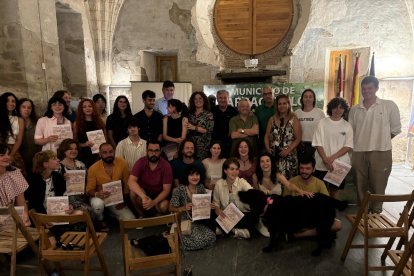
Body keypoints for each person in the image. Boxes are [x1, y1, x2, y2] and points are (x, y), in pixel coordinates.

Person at [348, 76, 401, 213]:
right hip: (358, 152)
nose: (366, 91)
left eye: (370, 88)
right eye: (364, 88)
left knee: (378, 185)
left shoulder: (389, 105)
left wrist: (381, 141)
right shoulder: (354, 109)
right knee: (360, 184)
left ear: (376, 88)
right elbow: (351, 132)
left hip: (381, 151)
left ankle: (376, 211)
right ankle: (363, 211)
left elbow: (395, 129)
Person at [283, 156, 342, 240]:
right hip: (297, 218)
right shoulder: (291, 182)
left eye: (307, 168)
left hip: (315, 218)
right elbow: (285, 206)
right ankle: (315, 233)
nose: (304, 171)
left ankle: (298, 235)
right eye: (302, 168)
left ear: (313, 169)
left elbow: (327, 206)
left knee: (337, 225)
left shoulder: (320, 183)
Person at [86, 143, 135, 230]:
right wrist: (97, 193)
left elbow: (127, 184)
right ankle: (100, 219)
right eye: (105, 152)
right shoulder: (93, 169)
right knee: (98, 205)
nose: (108, 155)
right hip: (100, 197)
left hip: (116, 199)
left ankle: (110, 213)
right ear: (100, 154)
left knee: (131, 221)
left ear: (114, 152)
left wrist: (123, 200)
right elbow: (89, 190)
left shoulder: (122, 163)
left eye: (111, 152)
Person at [312, 97, 353, 199]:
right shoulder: (322, 123)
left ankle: (332, 213)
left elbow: (348, 146)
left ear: (344, 110)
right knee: (320, 189)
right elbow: (318, 143)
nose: (338, 110)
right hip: (322, 163)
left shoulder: (347, 126)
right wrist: (326, 159)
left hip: (340, 164)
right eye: (335, 107)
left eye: (341, 107)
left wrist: (331, 159)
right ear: (330, 109)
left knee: (334, 191)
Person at [169, 165, 216, 250]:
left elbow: (204, 204)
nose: (195, 177)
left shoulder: (200, 187)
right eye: (191, 175)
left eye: (197, 174)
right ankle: (177, 241)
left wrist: (209, 205)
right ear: (186, 176)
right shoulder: (179, 189)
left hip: (197, 220)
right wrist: (183, 208)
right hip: (183, 221)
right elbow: (171, 208)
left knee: (211, 237)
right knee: (198, 240)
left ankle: (179, 242)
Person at [213, 158, 259, 239]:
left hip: (241, 215)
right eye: (232, 169)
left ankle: (227, 230)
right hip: (225, 215)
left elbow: (252, 193)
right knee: (210, 215)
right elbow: (216, 203)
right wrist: (218, 210)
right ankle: (239, 232)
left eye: (237, 169)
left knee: (255, 217)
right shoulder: (219, 184)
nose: (235, 172)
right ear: (225, 171)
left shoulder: (242, 182)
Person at [128, 141, 172, 217]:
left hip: (159, 195)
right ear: (146, 151)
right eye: (150, 150)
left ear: (160, 151)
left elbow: (166, 190)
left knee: (164, 206)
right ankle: (142, 215)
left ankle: (157, 217)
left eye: (156, 151)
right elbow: (131, 181)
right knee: (133, 193)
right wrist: (144, 197)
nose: (153, 153)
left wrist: (153, 202)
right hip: (144, 194)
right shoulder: (141, 162)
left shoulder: (166, 166)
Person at [56, 139, 94, 221]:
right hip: (67, 199)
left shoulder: (80, 164)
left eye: (75, 149)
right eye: (70, 149)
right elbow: (56, 187)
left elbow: (88, 180)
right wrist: (62, 179)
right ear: (64, 151)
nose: (74, 151)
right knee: (86, 211)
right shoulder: (58, 167)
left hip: (82, 195)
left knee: (93, 209)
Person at [264, 95, 301, 179]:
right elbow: (266, 136)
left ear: (288, 104)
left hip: (289, 157)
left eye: (284, 103)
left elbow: (298, 138)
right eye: (279, 104)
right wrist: (268, 149)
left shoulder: (294, 119)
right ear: (276, 106)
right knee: (275, 182)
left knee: (290, 184)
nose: (282, 106)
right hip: (275, 157)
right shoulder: (272, 119)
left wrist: (288, 150)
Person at [0, 144, 30, 226]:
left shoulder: (15, 173)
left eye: (8, 154)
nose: (7, 157)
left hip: (11, 220)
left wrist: (25, 217)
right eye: (2, 155)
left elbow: (21, 202)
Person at [73, 98, 106, 168]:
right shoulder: (76, 124)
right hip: (84, 155)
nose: (87, 108)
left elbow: (105, 138)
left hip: (98, 154)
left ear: (93, 108)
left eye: (90, 106)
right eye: (84, 107)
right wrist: (84, 144)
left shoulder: (100, 122)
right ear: (81, 109)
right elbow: (74, 142)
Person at [294, 89, 325, 159]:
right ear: (302, 99)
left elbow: (324, 132)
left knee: (313, 168)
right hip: (300, 145)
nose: (308, 99)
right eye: (305, 97)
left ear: (314, 99)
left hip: (315, 146)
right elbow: (294, 131)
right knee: (302, 168)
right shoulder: (296, 113)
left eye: (310, 97)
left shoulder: (320, 113)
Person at [17, 98, 42, 177]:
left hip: (37, 156)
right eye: (23, 107)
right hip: (22, 157)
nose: (26, 110)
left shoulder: (38, 121)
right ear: (19, 108)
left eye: (29, 107)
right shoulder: (14, 121)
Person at [0, 92, 25, 173]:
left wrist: (11, 155)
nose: (11, 103)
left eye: (13, 101)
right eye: (7, 101)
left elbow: (19, 140)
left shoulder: (19, 120)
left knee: (19, 174)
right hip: (0, 149)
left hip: (13, 149)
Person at [187, 91, 214, 160]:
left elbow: (209, 131)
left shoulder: (208, 114)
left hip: (203, 147)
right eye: (195, 99)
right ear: (193, 101)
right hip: (190, 146)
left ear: (204, 100)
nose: (198, 100)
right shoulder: (189, 114)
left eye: (200, 98)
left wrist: (195, 128)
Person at [211, 90, 238, 158]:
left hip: (230, 144)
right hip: (215, 144)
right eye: (220, 98)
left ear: (228, 98)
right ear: (217, 99)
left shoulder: (234, 111)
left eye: (225, 98)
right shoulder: (212, 111)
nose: (223, 100)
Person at [254, 86, 275, 153]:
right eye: (265, 94)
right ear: (262, 96)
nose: (267, 96)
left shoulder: (280, 107)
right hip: (262, 144)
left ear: (274, 94)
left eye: (270, 93)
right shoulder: (258, 109)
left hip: (279, 142)